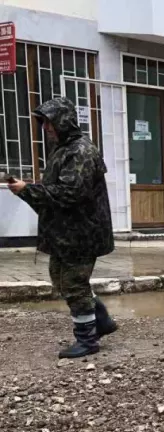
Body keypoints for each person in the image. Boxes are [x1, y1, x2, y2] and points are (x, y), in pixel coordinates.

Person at [8, 97, 117, 358]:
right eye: (43, 123)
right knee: (62, 279)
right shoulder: (63, 148)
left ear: (63, 121)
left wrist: (28, 190)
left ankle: (88, 341)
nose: (46, 128)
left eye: (49, 122)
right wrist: (29, 190)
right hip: (66, 232)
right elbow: (58, 187)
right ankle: (101, 320)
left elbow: (69, 193)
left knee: (73, 283)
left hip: (81, 233)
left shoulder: (80, 151)